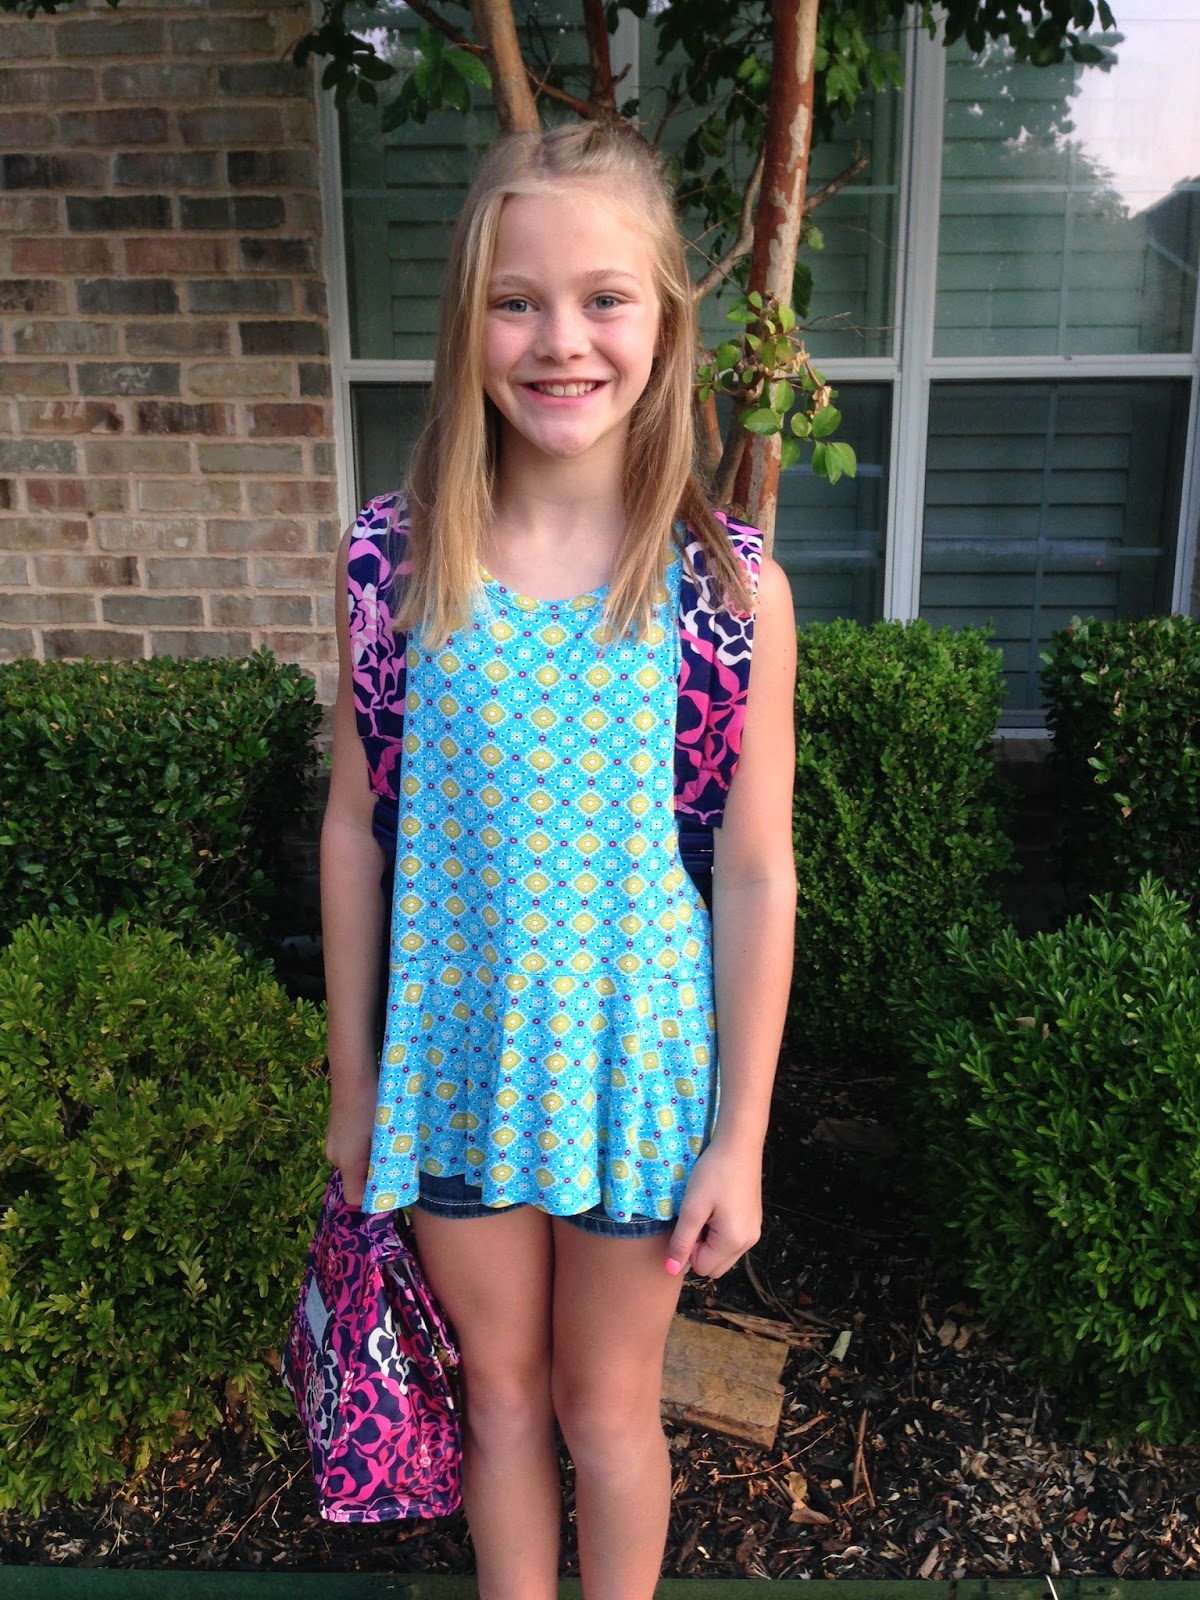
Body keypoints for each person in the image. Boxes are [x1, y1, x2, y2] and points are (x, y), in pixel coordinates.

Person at [320, 120, 796, 1600]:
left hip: (635, 1084)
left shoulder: (726, 590)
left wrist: (739, 1137)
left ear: (665, 321)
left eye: (604, 298)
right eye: (515, 301)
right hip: (455, 1070)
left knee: (604, 1411)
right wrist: (353, 1087)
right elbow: (354, 829)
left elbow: (756, 875)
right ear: (467, 322)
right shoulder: (395, 564)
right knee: (504, 1400)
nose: (561, 341)